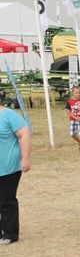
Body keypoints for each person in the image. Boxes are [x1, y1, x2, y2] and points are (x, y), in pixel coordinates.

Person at [0, 105, 30, 246]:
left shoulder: (9, 116)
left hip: (8, 167)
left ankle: (10, 234)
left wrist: (25, 158)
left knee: (6, 200)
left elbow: (24, 134)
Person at [64, 85, 80, 153]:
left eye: (79, 93)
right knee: (72, 134)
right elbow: (68, 111)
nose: (78, 94)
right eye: (76, 93)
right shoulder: (69, 101)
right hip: (73, 120)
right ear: (73, 93)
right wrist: (75, 117)